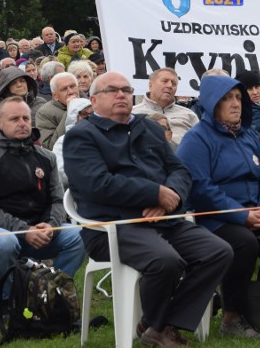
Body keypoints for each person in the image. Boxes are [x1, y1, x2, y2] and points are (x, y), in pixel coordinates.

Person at [64, 72, 233, 347]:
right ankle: (158, 325)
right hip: (111, 226)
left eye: (126, 89)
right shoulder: (81, 136)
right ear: (93, 100)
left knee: (218, 251)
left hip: (163, 219)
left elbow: (179, 169)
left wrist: (172, 196)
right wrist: (154, 193)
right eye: (112, 90)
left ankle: (162, 326)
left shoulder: (150, 128)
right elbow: (97, 184)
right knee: (165, 261)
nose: (121, 94)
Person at [176, 75, 260, 338]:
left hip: (255, 212)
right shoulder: (197, 139)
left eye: (238, 98)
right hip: (215, 218)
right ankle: (232, 315)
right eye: (227, 98)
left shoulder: (248, 135)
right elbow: (201, 188)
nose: (235, 104)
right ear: (211, 103)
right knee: (244, 243)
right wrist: (242, 216)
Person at [0, 97, 86, 298]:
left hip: (40, 229)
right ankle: (4, 301)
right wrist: (24, 230)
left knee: (80, 235)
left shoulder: (47, 157)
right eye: (14, 119)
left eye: (26, 118)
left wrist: (50, 225)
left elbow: (57, 200)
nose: (22, 123)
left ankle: (48, 294)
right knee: (4, 243)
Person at [132, 67, 199, 144]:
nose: (170, 86)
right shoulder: (132, 114)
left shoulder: (189, 115)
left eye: (174, 83)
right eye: (165, 81)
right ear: (151, 85)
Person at [51, 98, 93, 189]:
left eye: (92, 114)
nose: (89, 118)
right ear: (74, 116)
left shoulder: (102, 137)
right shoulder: (63, 141)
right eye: (84, 114)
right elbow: (61, 174)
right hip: (77, 191)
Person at [35, 72, 79, 149]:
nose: (71, 92)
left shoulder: (90, 102)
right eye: (64, 89)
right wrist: (70, 111)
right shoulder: (44, 113)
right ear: (55, 95)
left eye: (72, 86)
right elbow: (50, 146)